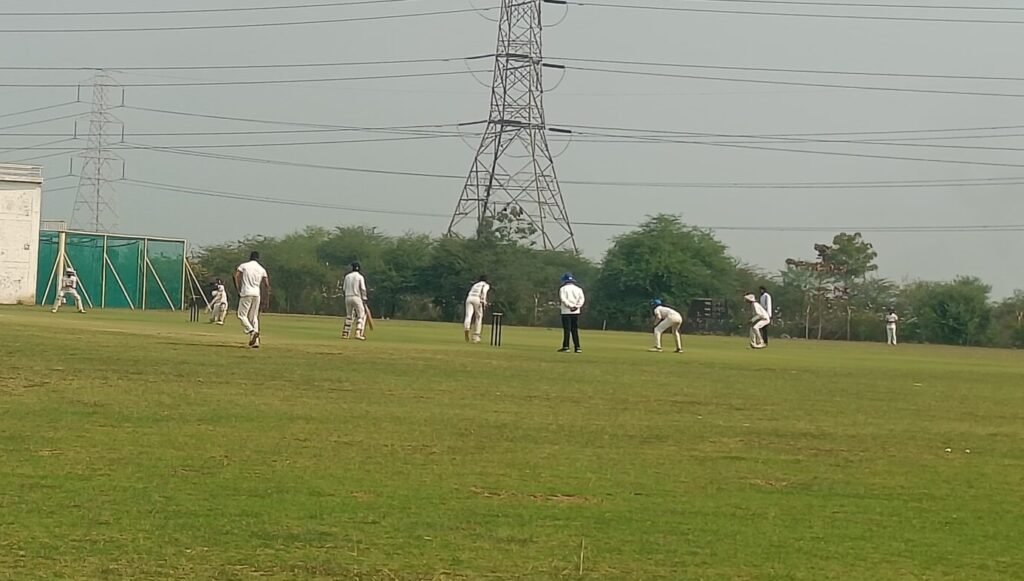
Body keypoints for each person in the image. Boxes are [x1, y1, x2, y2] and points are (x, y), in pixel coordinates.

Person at [233, 251, 269, 349]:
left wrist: (238, 288)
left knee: (241, 315)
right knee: (254, 317)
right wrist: (266, 298)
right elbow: (266, 284)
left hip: (246, 292)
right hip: (256, 294)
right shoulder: (261, 269)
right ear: (258, 258)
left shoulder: (244, 266)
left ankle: (252, 331)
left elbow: (236, 276)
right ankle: (256, 341)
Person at [558, 273, 585, 353]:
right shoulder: (578, 289)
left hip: (566, 311)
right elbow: (582, 299)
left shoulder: (563, 289)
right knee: (575, 329)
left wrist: (570, 306)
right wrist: (576, 306)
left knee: (567, 329)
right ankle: (577, 347)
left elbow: (563, 299)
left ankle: (566, 346)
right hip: (576, 311)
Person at [342, 262, 368, 341]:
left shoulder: (347, 276)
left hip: (347, 297)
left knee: (349, 316)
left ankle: (345, 333)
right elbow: (363, 289)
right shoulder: (360, 277)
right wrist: (364, 298)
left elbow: (344, 288)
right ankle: (358, 332)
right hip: (357, 297)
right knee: (361, 315)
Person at [464, 275, 490, 343]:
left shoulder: (475, 284)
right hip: (477, 299)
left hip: (469, 298)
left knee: (468, 315)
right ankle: (476, 336)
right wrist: (484, 301)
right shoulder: (486, 285)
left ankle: (467, 327)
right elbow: (484, 292)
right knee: (479, 317)